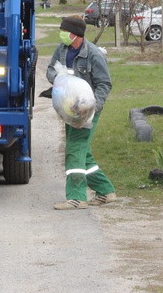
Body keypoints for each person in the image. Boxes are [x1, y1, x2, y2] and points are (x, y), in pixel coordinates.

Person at [46, 14, 117, 210]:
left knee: (75, 148)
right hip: (69, 110)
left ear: (75, 34)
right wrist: (57, 78)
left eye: (64, 31)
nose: (61, 34)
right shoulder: (61, 50)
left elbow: (104, 83)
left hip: (86, 111)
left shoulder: (93, 54)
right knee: (82, 152)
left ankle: (77, 197)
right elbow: (50, 69)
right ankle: (105, 191)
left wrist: (94, 107)